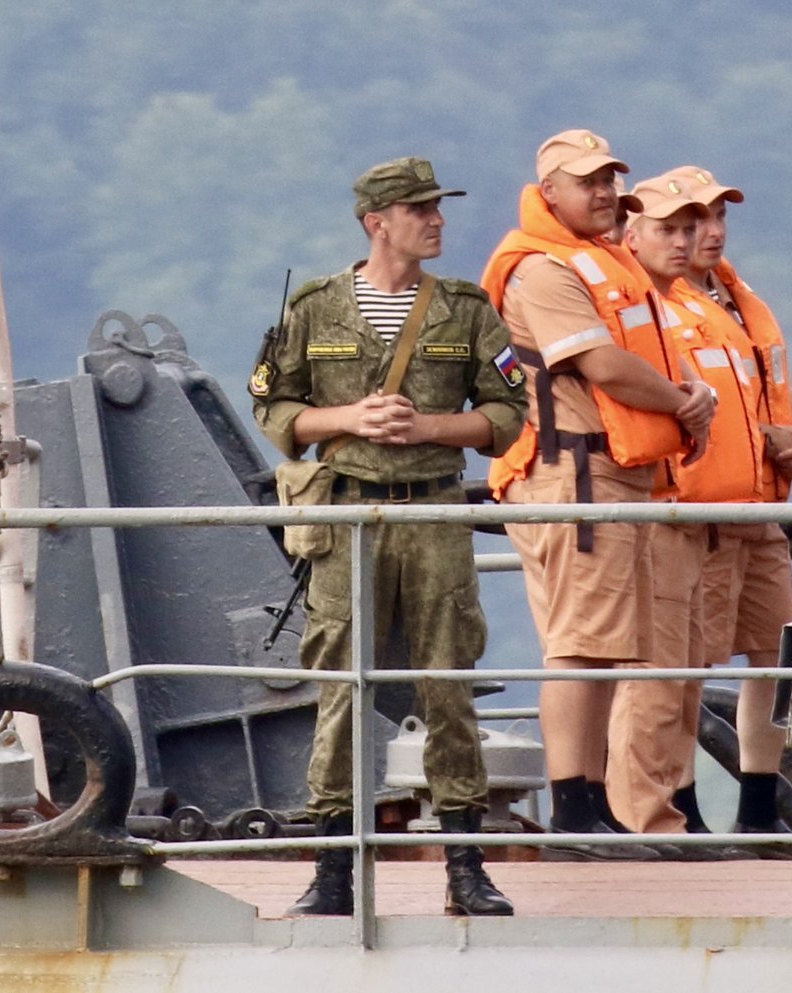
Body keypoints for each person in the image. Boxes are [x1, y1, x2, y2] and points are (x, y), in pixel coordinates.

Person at [250, 157, 526, 915]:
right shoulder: (314, 308)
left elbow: (508, 417)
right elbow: (275, 412)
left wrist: (428, 426)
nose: (437, 220)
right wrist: (348, 420)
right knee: (340, 685)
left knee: (449, 683)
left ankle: (466, 866)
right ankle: (333, 870)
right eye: (420, 209)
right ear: (378, 222)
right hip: (346, 516)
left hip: (435, 512)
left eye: (436, 207)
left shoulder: (467, 311)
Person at [481, 130, 715, 859]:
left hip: (614, 476)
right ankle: (573, 809)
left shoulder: (606, 263)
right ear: (549, 191)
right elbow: (603, 365)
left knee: (610, 648)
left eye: (611, 177)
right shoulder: (542, 273)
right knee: (577, 648)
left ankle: (599, 806)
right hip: (570, 477)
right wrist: (682, 403)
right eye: (587, 181)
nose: (606, 191)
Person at [662, 165, 792, 857]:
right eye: (694, 221)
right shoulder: (655, 304)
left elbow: (773, 392)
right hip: (696, 511)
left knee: (773, 655)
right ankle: (684, 811)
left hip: (760, 508)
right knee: (686, 663)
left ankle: (758, 813)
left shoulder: (733, 297)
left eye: (719, 218)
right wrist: (765, 439)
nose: (713, 232)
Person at [604, 174, 763, 851]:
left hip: (737, 504)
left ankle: (689, 817)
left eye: (700, 221)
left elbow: (760, 393)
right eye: (674, 224)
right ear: (631, 232)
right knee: (657, 670)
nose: (698, 233)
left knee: (699, 668)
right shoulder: (634, 305)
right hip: (666, 505)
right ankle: (647, 820)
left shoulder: (722, 302)